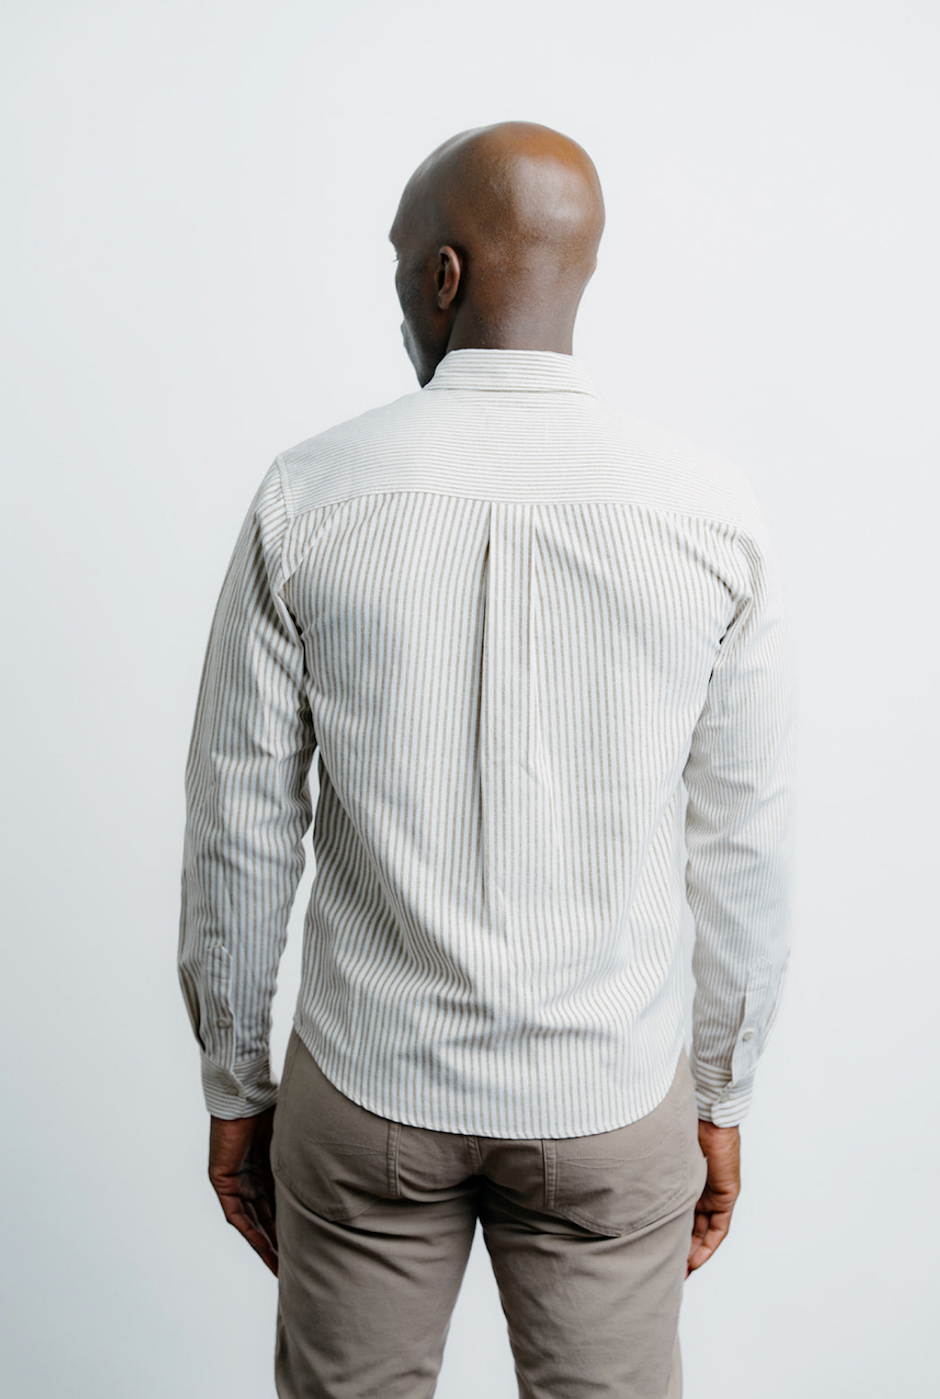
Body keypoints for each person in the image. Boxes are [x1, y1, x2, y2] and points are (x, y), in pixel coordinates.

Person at [178, 120, 796, 1398]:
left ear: (444, 277)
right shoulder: (709, 513)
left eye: (401, 262)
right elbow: (746, 845)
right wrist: (721, 1094)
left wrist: (236, 1085)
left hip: (368, 1089)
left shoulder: (308, 496)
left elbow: (239, 824)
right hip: (610, 1095)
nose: (400, 291)